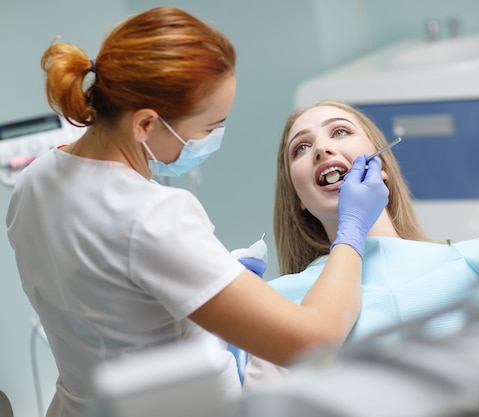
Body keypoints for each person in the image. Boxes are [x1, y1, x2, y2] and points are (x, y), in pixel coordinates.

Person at [5, 9, 389, 417]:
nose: (212, 139)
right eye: (209, 127)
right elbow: (311, 343)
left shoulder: (36, 178)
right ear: (146, 124)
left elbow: (114, 304)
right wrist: (351, 229)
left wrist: (205, 278)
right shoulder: (154, 217)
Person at [243, 99, 479, 389]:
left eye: (340, 132)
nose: (321, 149)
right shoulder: (279, 307)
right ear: (299, 200)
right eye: (301, 148)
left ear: (382, 166)